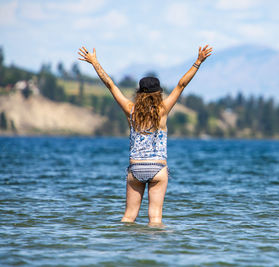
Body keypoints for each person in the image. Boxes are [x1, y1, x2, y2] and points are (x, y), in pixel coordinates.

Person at [77, 45, 212, 226]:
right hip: (157, 168)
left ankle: (123, 250)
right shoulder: (162, 111)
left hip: (136, 168)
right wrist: (198, 62)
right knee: (155, 217)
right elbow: (181, 84)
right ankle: (155, 252)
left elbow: (110, 84)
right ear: (158, 93)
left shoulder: (130, 110)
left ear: (139, 93)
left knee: (128, 217)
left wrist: (95, 63)